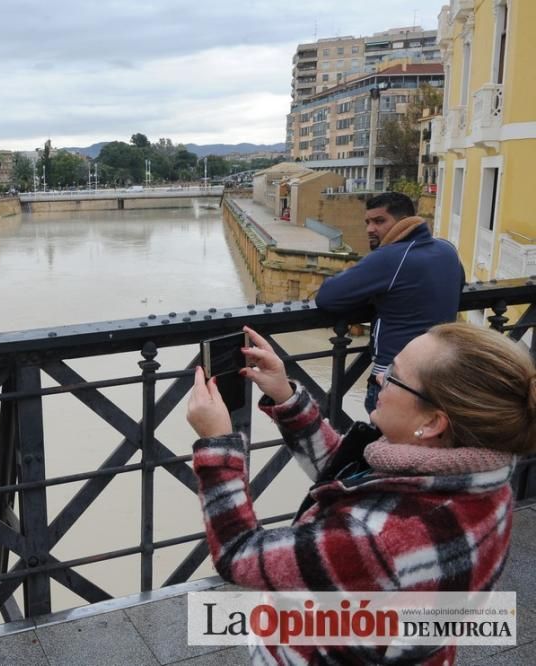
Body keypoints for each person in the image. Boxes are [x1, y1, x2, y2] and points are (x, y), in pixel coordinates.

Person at [187, 323, 535, 664]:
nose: (377, 377)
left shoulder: (375, 539)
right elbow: (348, 475)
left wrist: (217, 447)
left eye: (394, 376)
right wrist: (286, 397)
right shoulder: (488, 485)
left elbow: (238, 554)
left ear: (432, 424)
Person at [315, 192, 464, 412]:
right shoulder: (447, 249)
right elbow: (459, 282)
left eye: (379, 221)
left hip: (394, 379)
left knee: (386, 445)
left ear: (403, 221)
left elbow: (327, 297)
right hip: (440, 375)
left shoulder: (389, 257)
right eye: (367, 222)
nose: (369, 229)